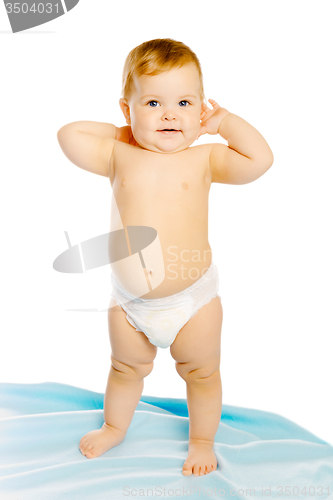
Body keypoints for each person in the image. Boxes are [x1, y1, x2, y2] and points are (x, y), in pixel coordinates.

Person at [57, 38, 274, 477]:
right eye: (153, 102)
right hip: (130, 304)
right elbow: (69, 135)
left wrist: (226, 122)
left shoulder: (205, 159)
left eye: (184, 102)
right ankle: (115, 426)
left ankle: (201, 440)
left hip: (193, 301)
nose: (170, 114)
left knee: (202, 373)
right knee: (124, 369)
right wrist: (128, 132)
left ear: (200, 111)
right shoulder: (118, 154)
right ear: (127, 110)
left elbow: (259, 160)